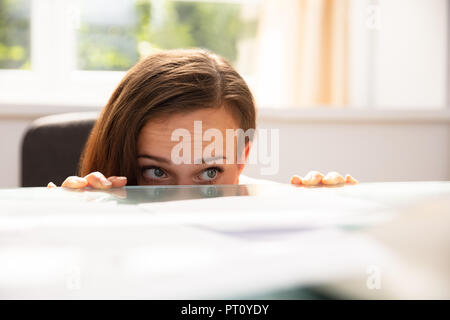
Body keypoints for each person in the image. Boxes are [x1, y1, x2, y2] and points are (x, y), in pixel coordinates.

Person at [47, 49, 357, 189]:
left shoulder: (271, 218)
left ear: (241, 158)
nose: (184, 202)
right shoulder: (96, 216)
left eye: (209, 173)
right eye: (156, 171)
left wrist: (328, 222)